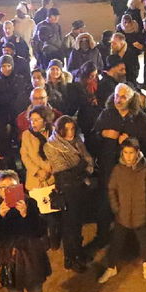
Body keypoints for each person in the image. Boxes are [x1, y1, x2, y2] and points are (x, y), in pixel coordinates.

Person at [101, 138, 146, 283]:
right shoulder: (118, 170)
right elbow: (111, 189)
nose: (128, 156)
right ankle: (111, 267)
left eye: (131, 152)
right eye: (125, 152)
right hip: (123, 214)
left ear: (137, 152)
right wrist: (116, 207)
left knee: (144, 241)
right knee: (116, 242)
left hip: (141, 213)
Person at [45, 115, 94, 272]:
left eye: (72, 128)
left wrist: (80, 167)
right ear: (60, 130)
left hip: (79, 186)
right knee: (69, 226)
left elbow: (88, 160)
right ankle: (71, 258)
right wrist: (81, 166)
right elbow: (63, 171)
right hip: (67, 189)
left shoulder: (78, 141)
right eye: (66, 129)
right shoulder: (52, 146)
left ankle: (78, 253)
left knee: (78, 223)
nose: (70, 132)